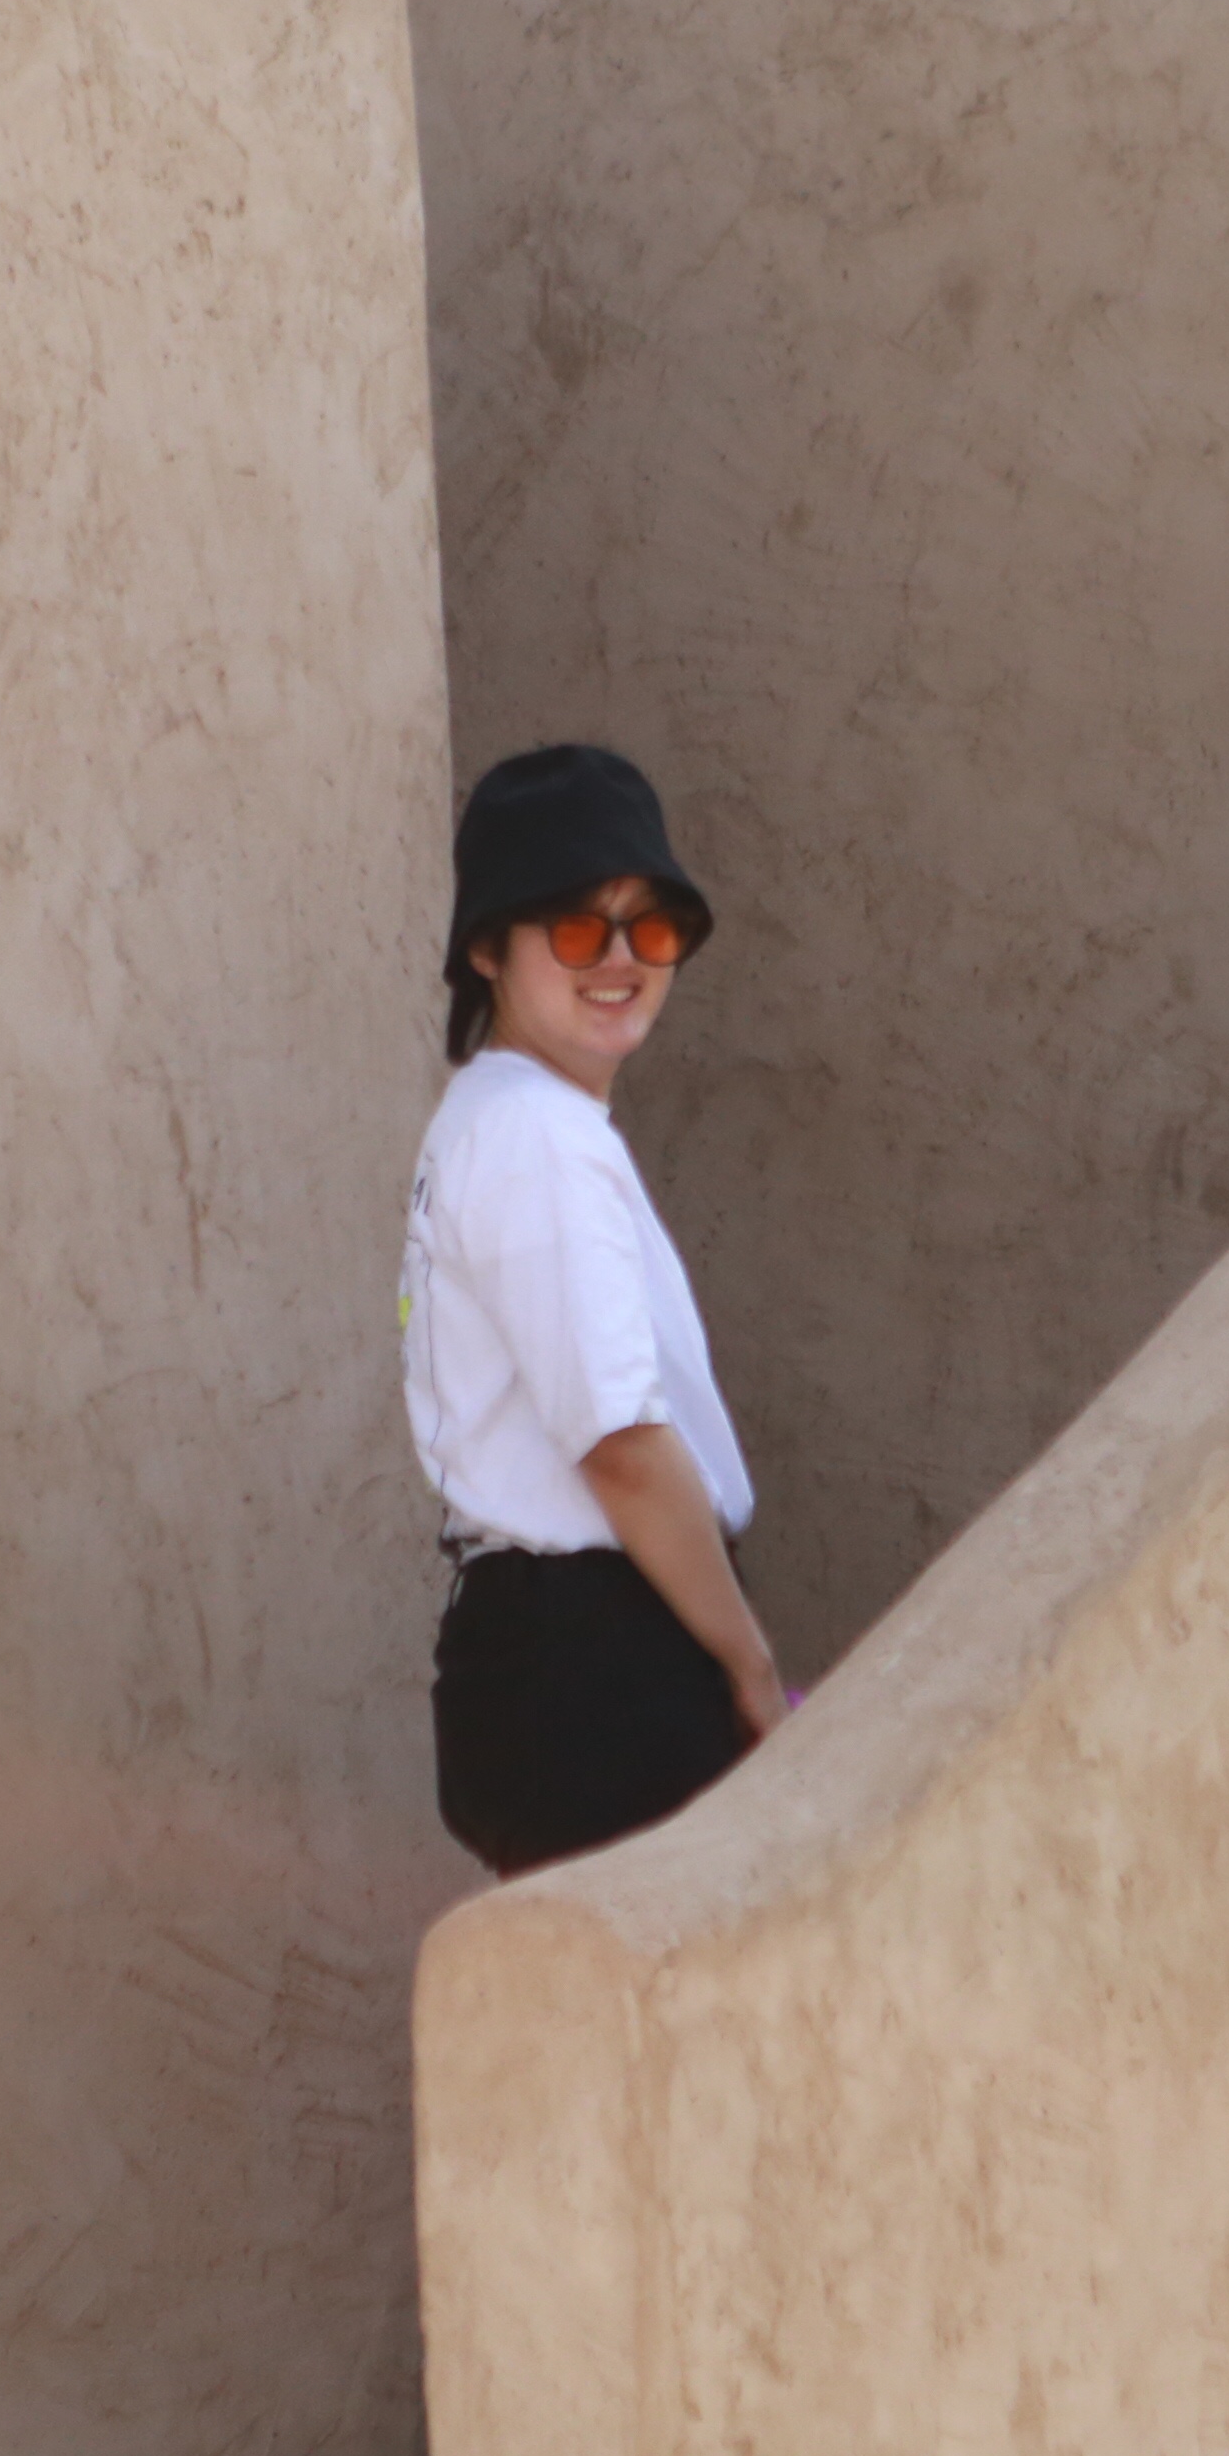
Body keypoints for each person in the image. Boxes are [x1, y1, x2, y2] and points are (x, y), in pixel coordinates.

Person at [402, 742, 785, 1875]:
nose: (619, 959)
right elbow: (618, 1445)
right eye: (576, 927)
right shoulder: (538, 1139)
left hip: (557, 1662)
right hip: (596, 1662)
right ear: (488, 949)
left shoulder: (497, 1120)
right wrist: (750, 1670)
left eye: (649, 926)